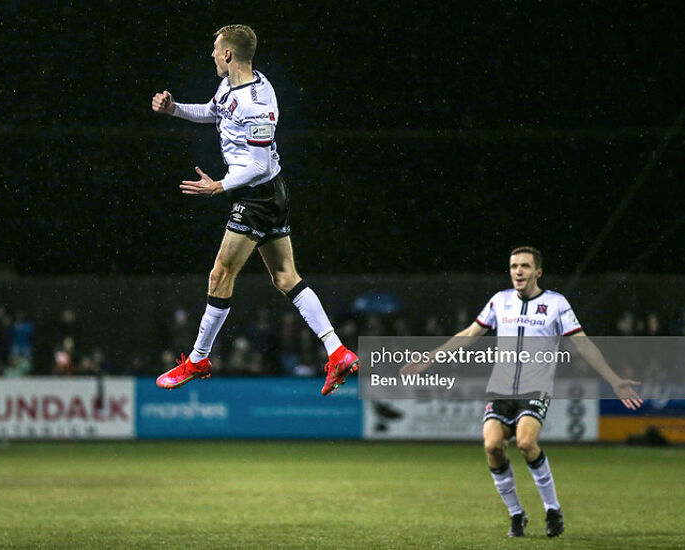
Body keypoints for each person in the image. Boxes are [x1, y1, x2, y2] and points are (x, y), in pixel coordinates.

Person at [151, 24, 358, 395]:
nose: (212, 55)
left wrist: (219, 185)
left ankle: (198, 359)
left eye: (216, 49)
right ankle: (337, 351)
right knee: (285, 277)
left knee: (220, 275)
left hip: (257, 196)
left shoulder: (258, 102)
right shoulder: (231, 86)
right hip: (268, 192)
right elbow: (213, 113)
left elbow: (259, 165)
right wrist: (175, 109)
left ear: (228, 54)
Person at [401, 246, 642, 538]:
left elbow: (583, 344)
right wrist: (431, 358)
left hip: (535, 389)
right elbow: (468, 334)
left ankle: (552, 509)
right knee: (492, 447)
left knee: (526, 442)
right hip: (500, 390)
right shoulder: (499, 301)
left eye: (525, 266)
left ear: (537, 272)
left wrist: (614, 379)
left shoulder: (556, 304)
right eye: (514, 266)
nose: (518, 271)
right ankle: (517, 514)